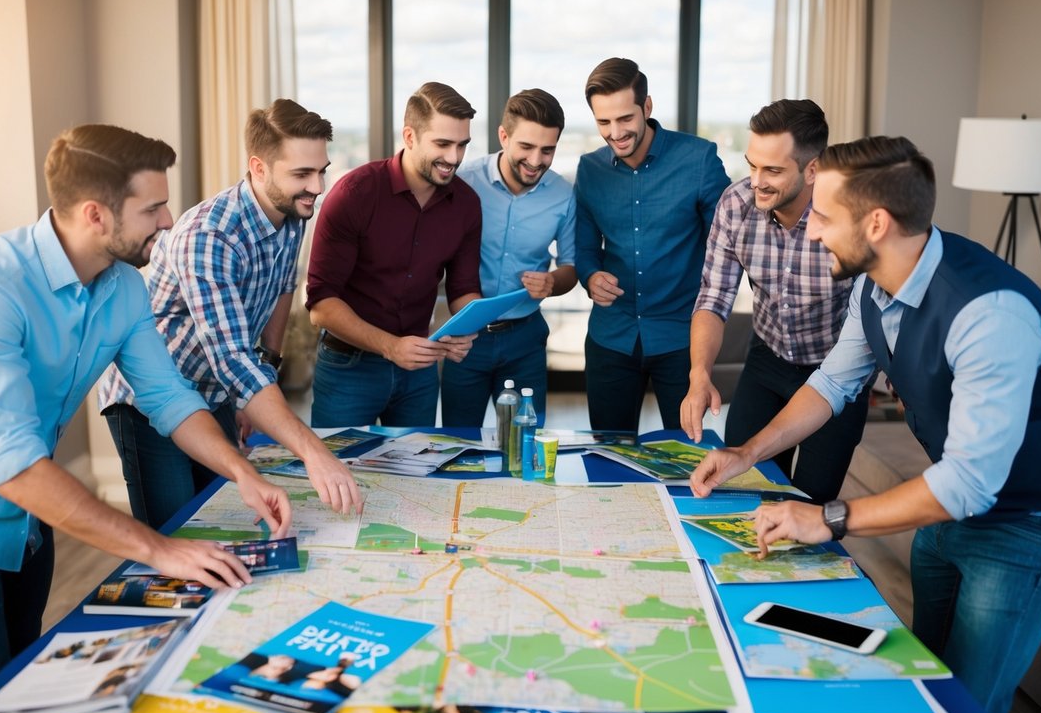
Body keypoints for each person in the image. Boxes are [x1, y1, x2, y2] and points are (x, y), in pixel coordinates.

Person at [689, 135, 1041, 713]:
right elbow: (831, 384)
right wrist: (744, 453)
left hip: (1037, 522)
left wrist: (828, 516)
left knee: (966, 709)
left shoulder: (989, 316)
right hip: (949, 506)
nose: (810, 232)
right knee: (919, 682)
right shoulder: (874, 281)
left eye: (825, 218)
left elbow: (968, 484)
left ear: (878, 223)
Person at [0, 124, 291, 713]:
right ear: (95, 214)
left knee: (25, 687)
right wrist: (161, 549)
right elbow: (13, 465)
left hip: (31, 517)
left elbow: (167, 398)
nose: (168, 220)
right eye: (153, 207)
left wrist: (241, 471)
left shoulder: (124, 288)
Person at [98, 99, 361, 529]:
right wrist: (315, 452)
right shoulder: (210, 236)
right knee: (180, 527)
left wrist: (265, 373)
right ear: (259, 168)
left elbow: (281, 288)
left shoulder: (293, 212)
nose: (318, 186)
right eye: (302, 174)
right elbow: (233, 359)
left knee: (223, 516)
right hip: (149, 398)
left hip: (214, 388)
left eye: (322, 170)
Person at [680, 99, 869, 503]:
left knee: (809, 503)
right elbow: (713, 298)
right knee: (741, 487)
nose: (757, 181)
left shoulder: (849, 217)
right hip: (767, 359)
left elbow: (877, 314)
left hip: (835, 368)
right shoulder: (735, 205)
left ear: (812, 169)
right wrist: (700, 373)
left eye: (773, 170)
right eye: (752, 165)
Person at [307, 82, 482, 427]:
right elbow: (321, 305)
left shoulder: (466, 205)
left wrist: (466, 329)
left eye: (462, 145)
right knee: (337, 472)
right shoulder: (353, 194)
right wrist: (390, 346)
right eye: (443, 144)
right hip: (349, 368)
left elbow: (464, 290)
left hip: (420, 370)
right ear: (410, 136)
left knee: (417, 478)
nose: (454, 157)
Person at [574, 57, 730, 432]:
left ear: (646, 107)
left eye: (625, 118)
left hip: (682, 340)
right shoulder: (588, 169)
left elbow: (727, 244)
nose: (616, 132)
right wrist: (591, 276)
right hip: (611, 338)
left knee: (684, 458)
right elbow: (583, 250)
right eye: (603, 122)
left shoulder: (699, 159)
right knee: (609, 456)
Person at [440, 88, 576, 427]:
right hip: (465, 337)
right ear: (504, 136)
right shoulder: (463, 182)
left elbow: (571, 268)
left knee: (524, 445)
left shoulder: (564, 195)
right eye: (526, 147)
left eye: (548, 150)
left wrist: (551, 282)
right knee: (459, 443)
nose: (536, 160)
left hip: (525, 340)